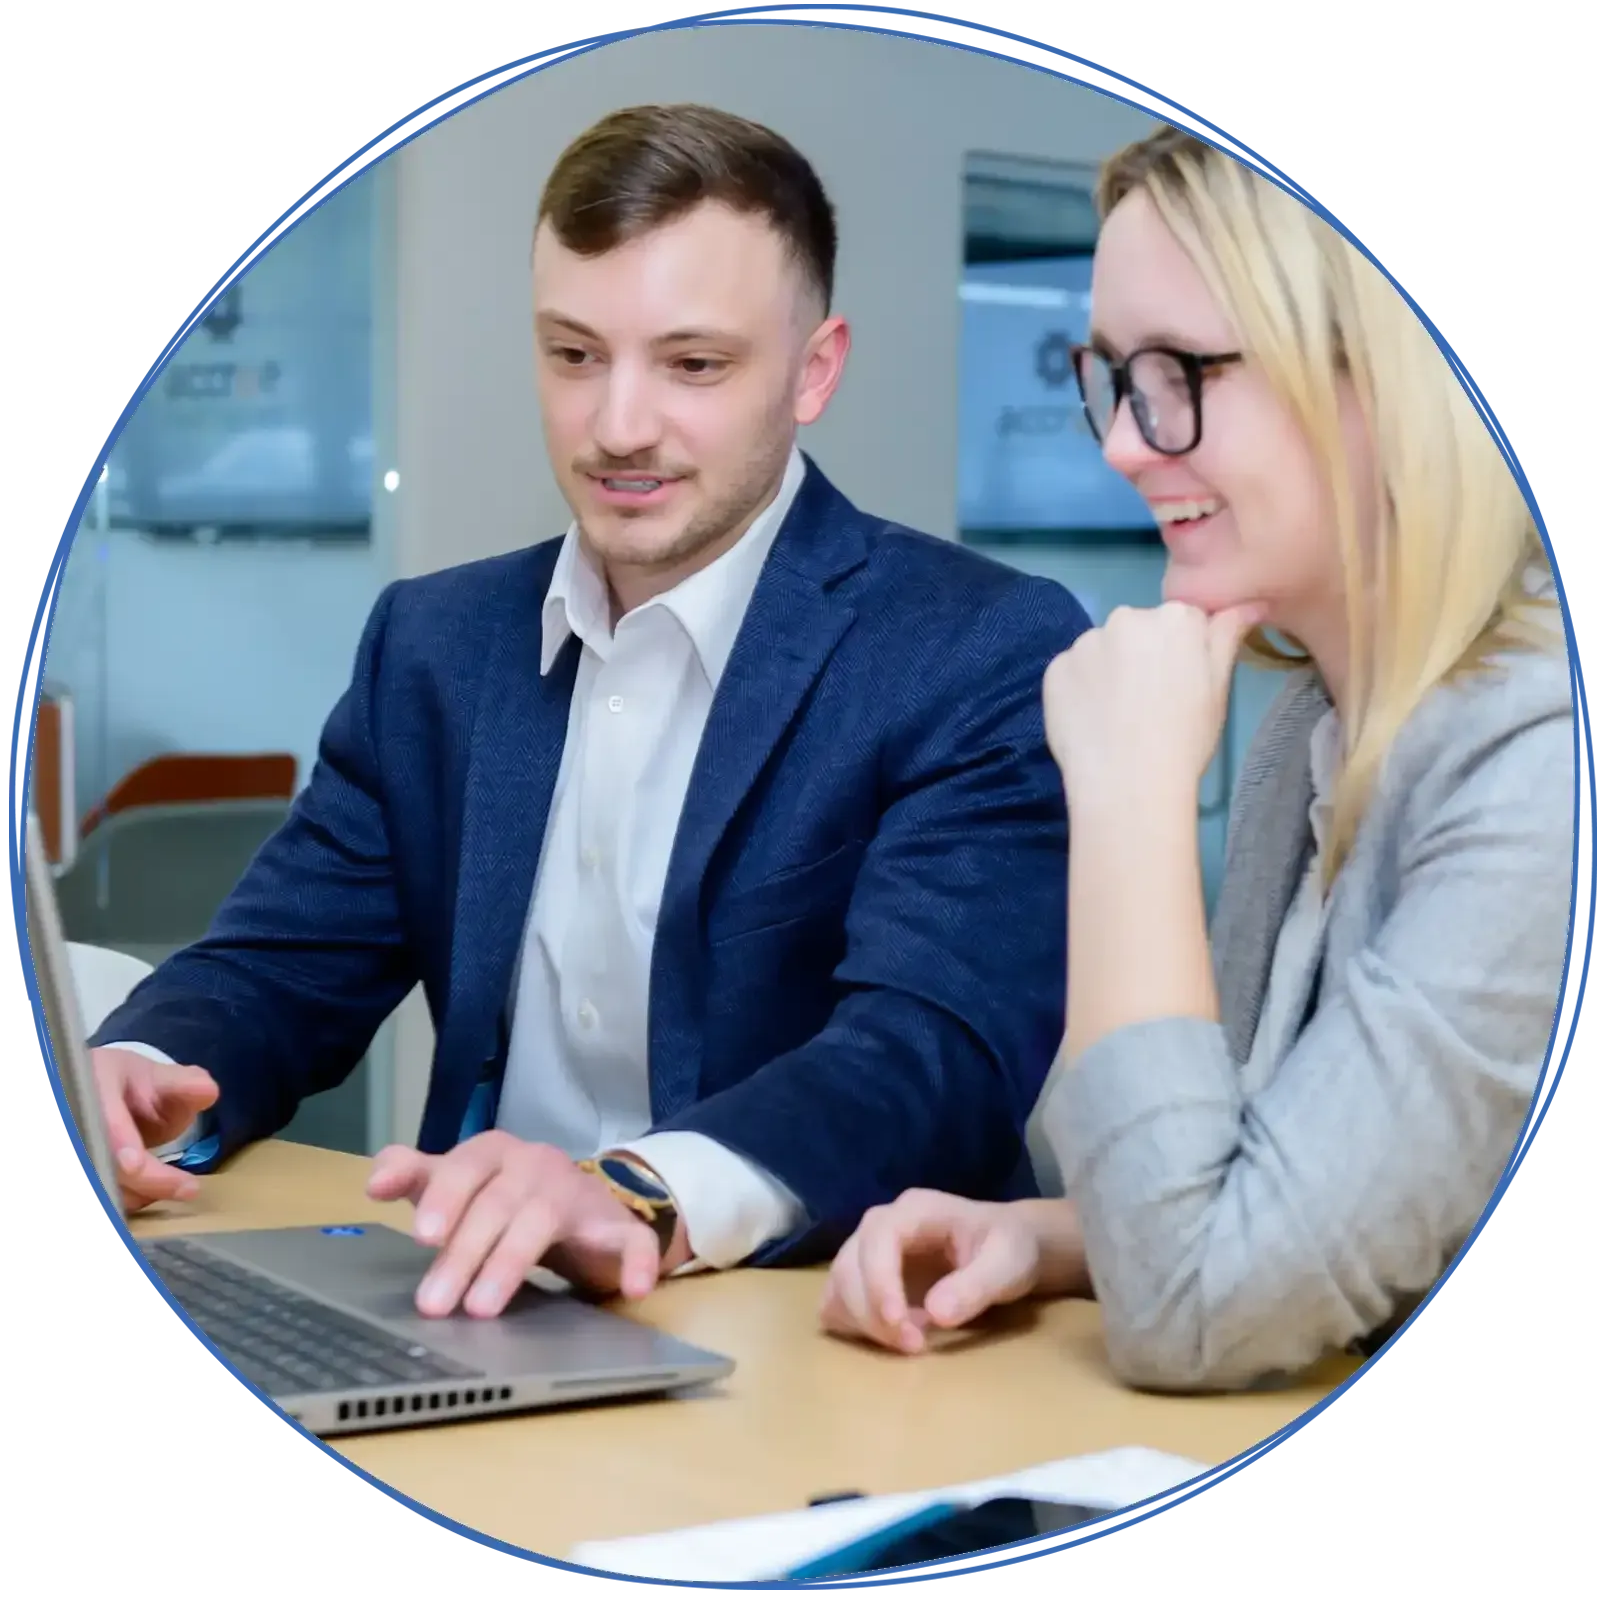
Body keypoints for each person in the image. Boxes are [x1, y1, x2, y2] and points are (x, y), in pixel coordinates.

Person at [86, 103, 1089, 1319]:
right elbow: (277, 967)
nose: (618, 426)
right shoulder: (436, 644)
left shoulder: (976, 646)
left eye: (693, 365)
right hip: (480, 1305)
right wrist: (131, 1074)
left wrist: (634, 1192)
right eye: (573, 356)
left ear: (813, 370)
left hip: (821, 1337)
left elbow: (929, 1056)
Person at [820, 125, 1572, 1392]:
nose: (1122, 441)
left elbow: (1195, 1309)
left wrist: (1127, 797)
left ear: (1375, 376)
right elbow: (1267, 1192)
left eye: (1176, 371)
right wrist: (1053, 1238)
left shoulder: (1543, 764)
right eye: (1111, 375)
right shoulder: (1313, 727)